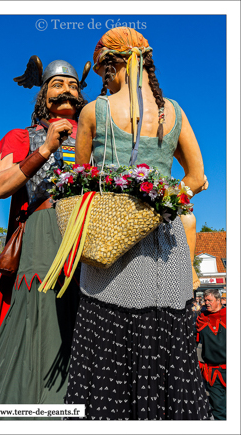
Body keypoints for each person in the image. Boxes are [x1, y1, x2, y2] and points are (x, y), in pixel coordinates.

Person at [64, 27, 212, 420]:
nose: (103, 79)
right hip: (167, 246)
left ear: (116, 64)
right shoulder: (175, 112)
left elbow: (80, 184)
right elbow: (197, 177)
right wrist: (161, 199)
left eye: (104, 71)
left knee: (106, 352)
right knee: (170, 350)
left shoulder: (93, 111)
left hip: (112, 251)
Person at [0, 57, 90, 412]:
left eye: (73, 85)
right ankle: (34, 406)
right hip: (43, 231)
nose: (67, 90)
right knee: (41, 315)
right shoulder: (21, 136)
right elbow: (0, 185)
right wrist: (46, 148)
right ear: (42, 96)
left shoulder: (94, 137)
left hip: (88, 233)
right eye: (57, 84)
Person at [196, 289, 226, 420]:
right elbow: (193, 344)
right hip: (212, 371)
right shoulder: (202, 318)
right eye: (205, 300)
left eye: (210, 300)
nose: (206, 303)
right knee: (218, 408)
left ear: (218, 300)